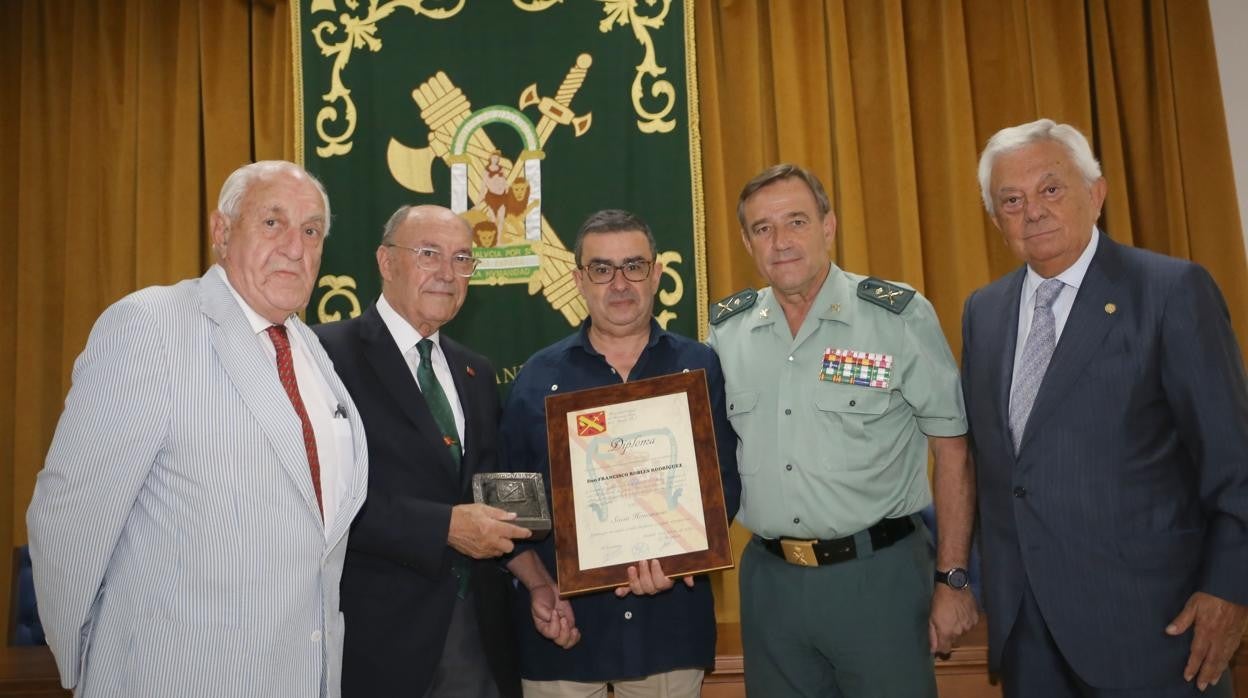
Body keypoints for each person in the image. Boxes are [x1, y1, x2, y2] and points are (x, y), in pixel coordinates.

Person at [26, 161, 369, 698]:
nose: (296, 248)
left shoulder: (311, 352)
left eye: (311, 230)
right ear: (221, 232)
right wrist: (99, 659)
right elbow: (68, 517)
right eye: (273, 223)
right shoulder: (152, 327)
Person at [963, 118, 1248, 697]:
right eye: (1010, 200)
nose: (1032, 211)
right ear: (996, 220)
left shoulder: (1170, 292)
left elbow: (1234, 461)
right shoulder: (983, 313)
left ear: (1096, 193)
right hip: (1030, 636)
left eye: (1050, 189)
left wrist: (1232, 589)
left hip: (1156, 629)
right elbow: (996, 470)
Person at [707, 164, 977, 697]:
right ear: (745, 241)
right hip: (771, 584)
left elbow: (953, 451)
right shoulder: (726, 333)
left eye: (797, 222)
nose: (781, 242)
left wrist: (952, 578)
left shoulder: (895, 318)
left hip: (878, 579)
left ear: (828, 227)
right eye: (763, 229)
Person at [500, 209, 741, 697]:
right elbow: (510, 509)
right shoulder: (537, 377)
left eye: (634, 266)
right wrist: (541, 585)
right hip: (564, 634)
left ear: (655, 274)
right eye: (601, 269)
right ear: (578, 280)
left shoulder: (698, 367)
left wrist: (679, 560)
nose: (619, 283)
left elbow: (726, 487)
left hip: (668, 632)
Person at [314, 204, 532, 698]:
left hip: (478, 638)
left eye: (462, 259)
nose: (447, 274)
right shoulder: (325, 355)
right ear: (386, 262)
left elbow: (487, 488)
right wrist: (444, 528)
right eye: (429, 254)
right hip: (376, 641)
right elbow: (319, 495)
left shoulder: (474, 371)